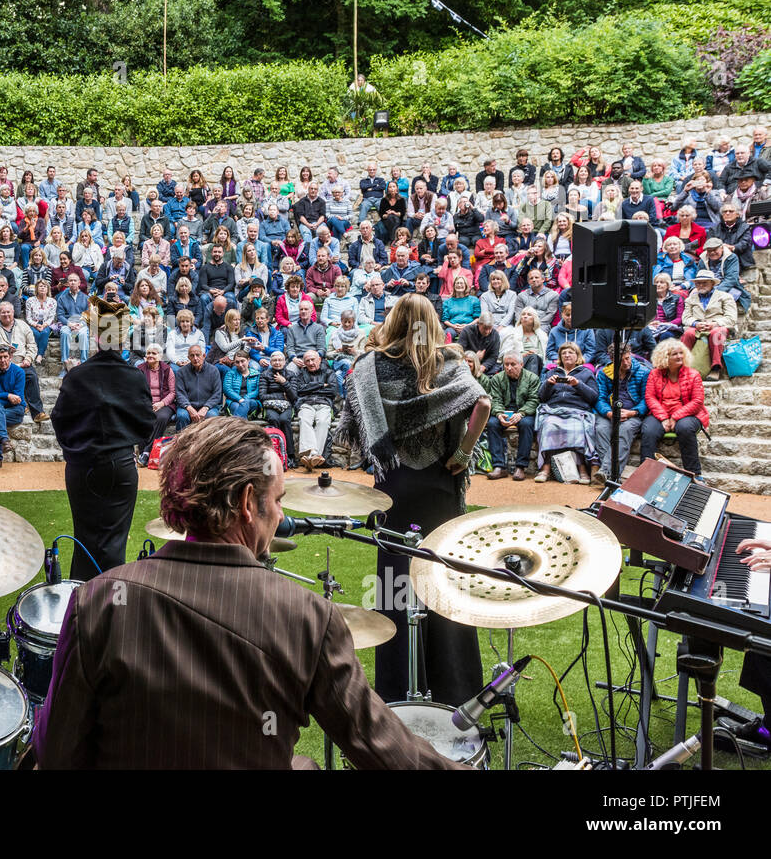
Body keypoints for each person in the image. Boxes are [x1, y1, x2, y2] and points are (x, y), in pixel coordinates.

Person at [31, 415, 465, 770]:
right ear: (245, 503)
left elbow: (55, 754)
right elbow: (383, 748)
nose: (280, 515)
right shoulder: (308, 617)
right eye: (277, 501)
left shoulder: (98, 600)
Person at [336, 293, 490, 707]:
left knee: (394, 587)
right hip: (440, 485)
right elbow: (484, 403)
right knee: (444, 581)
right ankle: (455, 688)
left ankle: (396, 689)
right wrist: (463, 453)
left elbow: (357, 420)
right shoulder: (449, 362)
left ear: (393, 321)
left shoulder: (370, 366)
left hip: (394, 486)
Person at [50, 297, 152, 579]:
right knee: (114, 545)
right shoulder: (134, 377)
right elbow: (146, 427)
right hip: (119, 468)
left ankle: (79, 606)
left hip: (82, 468)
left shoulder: (77, 376)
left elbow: (59, 420)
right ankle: (110, 607)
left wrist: (76, 451)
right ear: (122, 340)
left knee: (83, 540)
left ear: (96, 338)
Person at [640, 339, 708, 477]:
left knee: (685, 428)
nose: (679, 356)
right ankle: (646, 474)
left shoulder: (693, 374)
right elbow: (650, 397)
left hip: (688, 414)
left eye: (681, 353)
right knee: (648, 430)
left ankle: (694, 474)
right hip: (661, 414)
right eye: (674, 354)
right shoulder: (654, 374)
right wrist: (664, 417)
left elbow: (697, 401)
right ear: (665, 357)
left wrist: (675, 417)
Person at [533, 342, 598, 484]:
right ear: (560, 357)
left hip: (577, 411)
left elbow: (593, 397)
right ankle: (546, 467)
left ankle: (582, 469)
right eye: (564, 353)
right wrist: (548, 384)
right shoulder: (552, 372)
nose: (567, 355)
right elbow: (542, 397)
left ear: (577, 356)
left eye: (570, 352)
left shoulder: (586, 373)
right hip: (554, 410)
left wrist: (578, 384)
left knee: (578, 428)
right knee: (549, 425)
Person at [590, 341, 650, 484]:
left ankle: (605, 472)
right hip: (610, 412)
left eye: (627, 358)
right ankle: (612, 476)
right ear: (612, 360)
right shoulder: (605, 373)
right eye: (621, 360)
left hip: (632, 413)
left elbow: (646, 399)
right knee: (601, 429)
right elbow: (600, 398)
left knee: (624, 430)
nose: (625, 363)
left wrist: (632, 413)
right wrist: (609, 413)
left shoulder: (643, 372)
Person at [481, 352, 539, 480]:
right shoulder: (497, 379)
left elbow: (534, 400)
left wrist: (521, 413)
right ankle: (499, 467)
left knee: (527, 424)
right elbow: (495, 400)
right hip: (504, 411)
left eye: (513, 364)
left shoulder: (532, 378)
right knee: (492, 423)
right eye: (506, 364)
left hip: (523, 412)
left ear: (521, 364)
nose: (509, 368)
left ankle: (520, 467)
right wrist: (499, 414)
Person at [681, 268, 737, 381]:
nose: (701, 285)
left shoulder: (725, 296)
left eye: (704, 282)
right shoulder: (690, 299)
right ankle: (682, 367)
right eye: (698, 283)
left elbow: (731, 318)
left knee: (717, 333)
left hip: (719, 326)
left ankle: (715, 368)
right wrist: (695, 323)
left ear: (712, 283)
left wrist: (715, 324)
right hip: (698, 328)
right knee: (688, 334)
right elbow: (686, 317)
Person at [291, 349, 340, 470]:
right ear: (304, 363)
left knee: (323, 422)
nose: (311, 363)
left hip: (324, 403)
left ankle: (311, 455)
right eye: (307, 360)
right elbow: (299, 390)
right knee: (304, 420)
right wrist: (320, 385)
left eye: (313, 359)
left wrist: (309, 388)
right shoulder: (301, 374)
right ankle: (314, 454)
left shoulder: (329, 373)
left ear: (319, 359)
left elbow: (333, 391)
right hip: (306, 403)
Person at [134, 343, 177, 467]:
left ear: (160, 356)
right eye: (148, 353)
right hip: (145, 404)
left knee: (161, 417)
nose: (150, 355)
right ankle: (145, 453)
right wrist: (146, 404)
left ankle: (146, 451)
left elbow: (173, 392)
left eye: (154, 353)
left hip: (164, 404)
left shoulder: (167, 370)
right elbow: (136, 391)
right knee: (142, 418)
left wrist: (162, 403)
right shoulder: (140, 369)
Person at [174, 345, 222, 429]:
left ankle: (209, 442)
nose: (195, 358)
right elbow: (180, 394)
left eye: (198, 355)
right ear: (188, 357)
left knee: (212, 416)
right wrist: (189, 408)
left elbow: (217, 394)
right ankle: (181, 441)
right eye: (192, 356)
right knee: (182, 415)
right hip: (187, 406)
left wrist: (205, 408)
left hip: (209, 406)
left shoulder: (214, 370)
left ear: (203, 356)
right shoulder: (181, 372)